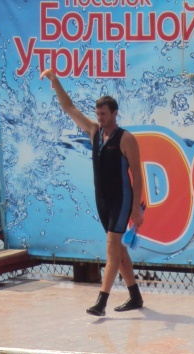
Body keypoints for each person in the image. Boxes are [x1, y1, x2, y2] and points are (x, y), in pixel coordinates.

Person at [41, 69, 144, 316]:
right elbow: (70, 108)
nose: (100, 118)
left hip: (121, 200)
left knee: (111, 247)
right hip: (103, 201)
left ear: (115, 113)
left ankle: (101, 302)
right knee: (119, 250)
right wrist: (56, 82)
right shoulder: (94, 132)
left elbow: (138, 176)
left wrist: (135, 209)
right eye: (98, 114)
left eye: (104, 114)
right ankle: (135, 296)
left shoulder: (126, 139)